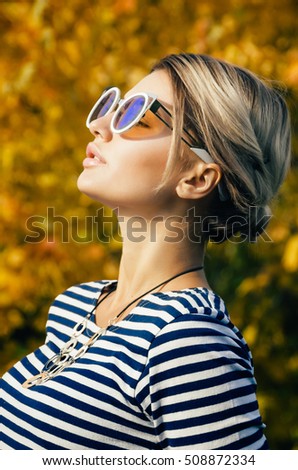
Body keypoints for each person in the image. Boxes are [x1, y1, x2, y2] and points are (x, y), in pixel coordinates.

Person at [0, 53, 291, 450]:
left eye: (136, 116)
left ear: (198, 176)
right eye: (113, 106)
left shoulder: (189, 340)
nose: (100, 126)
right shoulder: (75, 306)